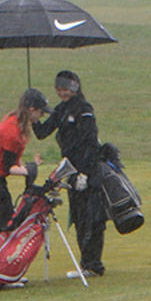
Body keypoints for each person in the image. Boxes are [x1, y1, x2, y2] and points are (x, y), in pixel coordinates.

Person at [34, 70, 107, 276]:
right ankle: (86, 263)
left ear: (74, 88)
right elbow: (41, 133)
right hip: (71, 171)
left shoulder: (84, 109)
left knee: (91, 217)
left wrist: (85, 172)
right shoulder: (61, 110)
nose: (61, 93)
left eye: (65, 89)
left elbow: (91, 142)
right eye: (58, 89)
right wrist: (32, 115)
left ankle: (93, 264)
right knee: (78, 216)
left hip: (88, 171)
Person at [0, 88, 48, 232]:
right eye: (41, 112)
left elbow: (13, 160)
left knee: (8, 222)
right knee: (8, 225)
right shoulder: (12, 131)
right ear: (32, 110)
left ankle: (0, 253)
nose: (41, 116)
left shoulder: (14, 120)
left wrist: (29, 166)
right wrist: (28, 170)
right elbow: (10, 167)